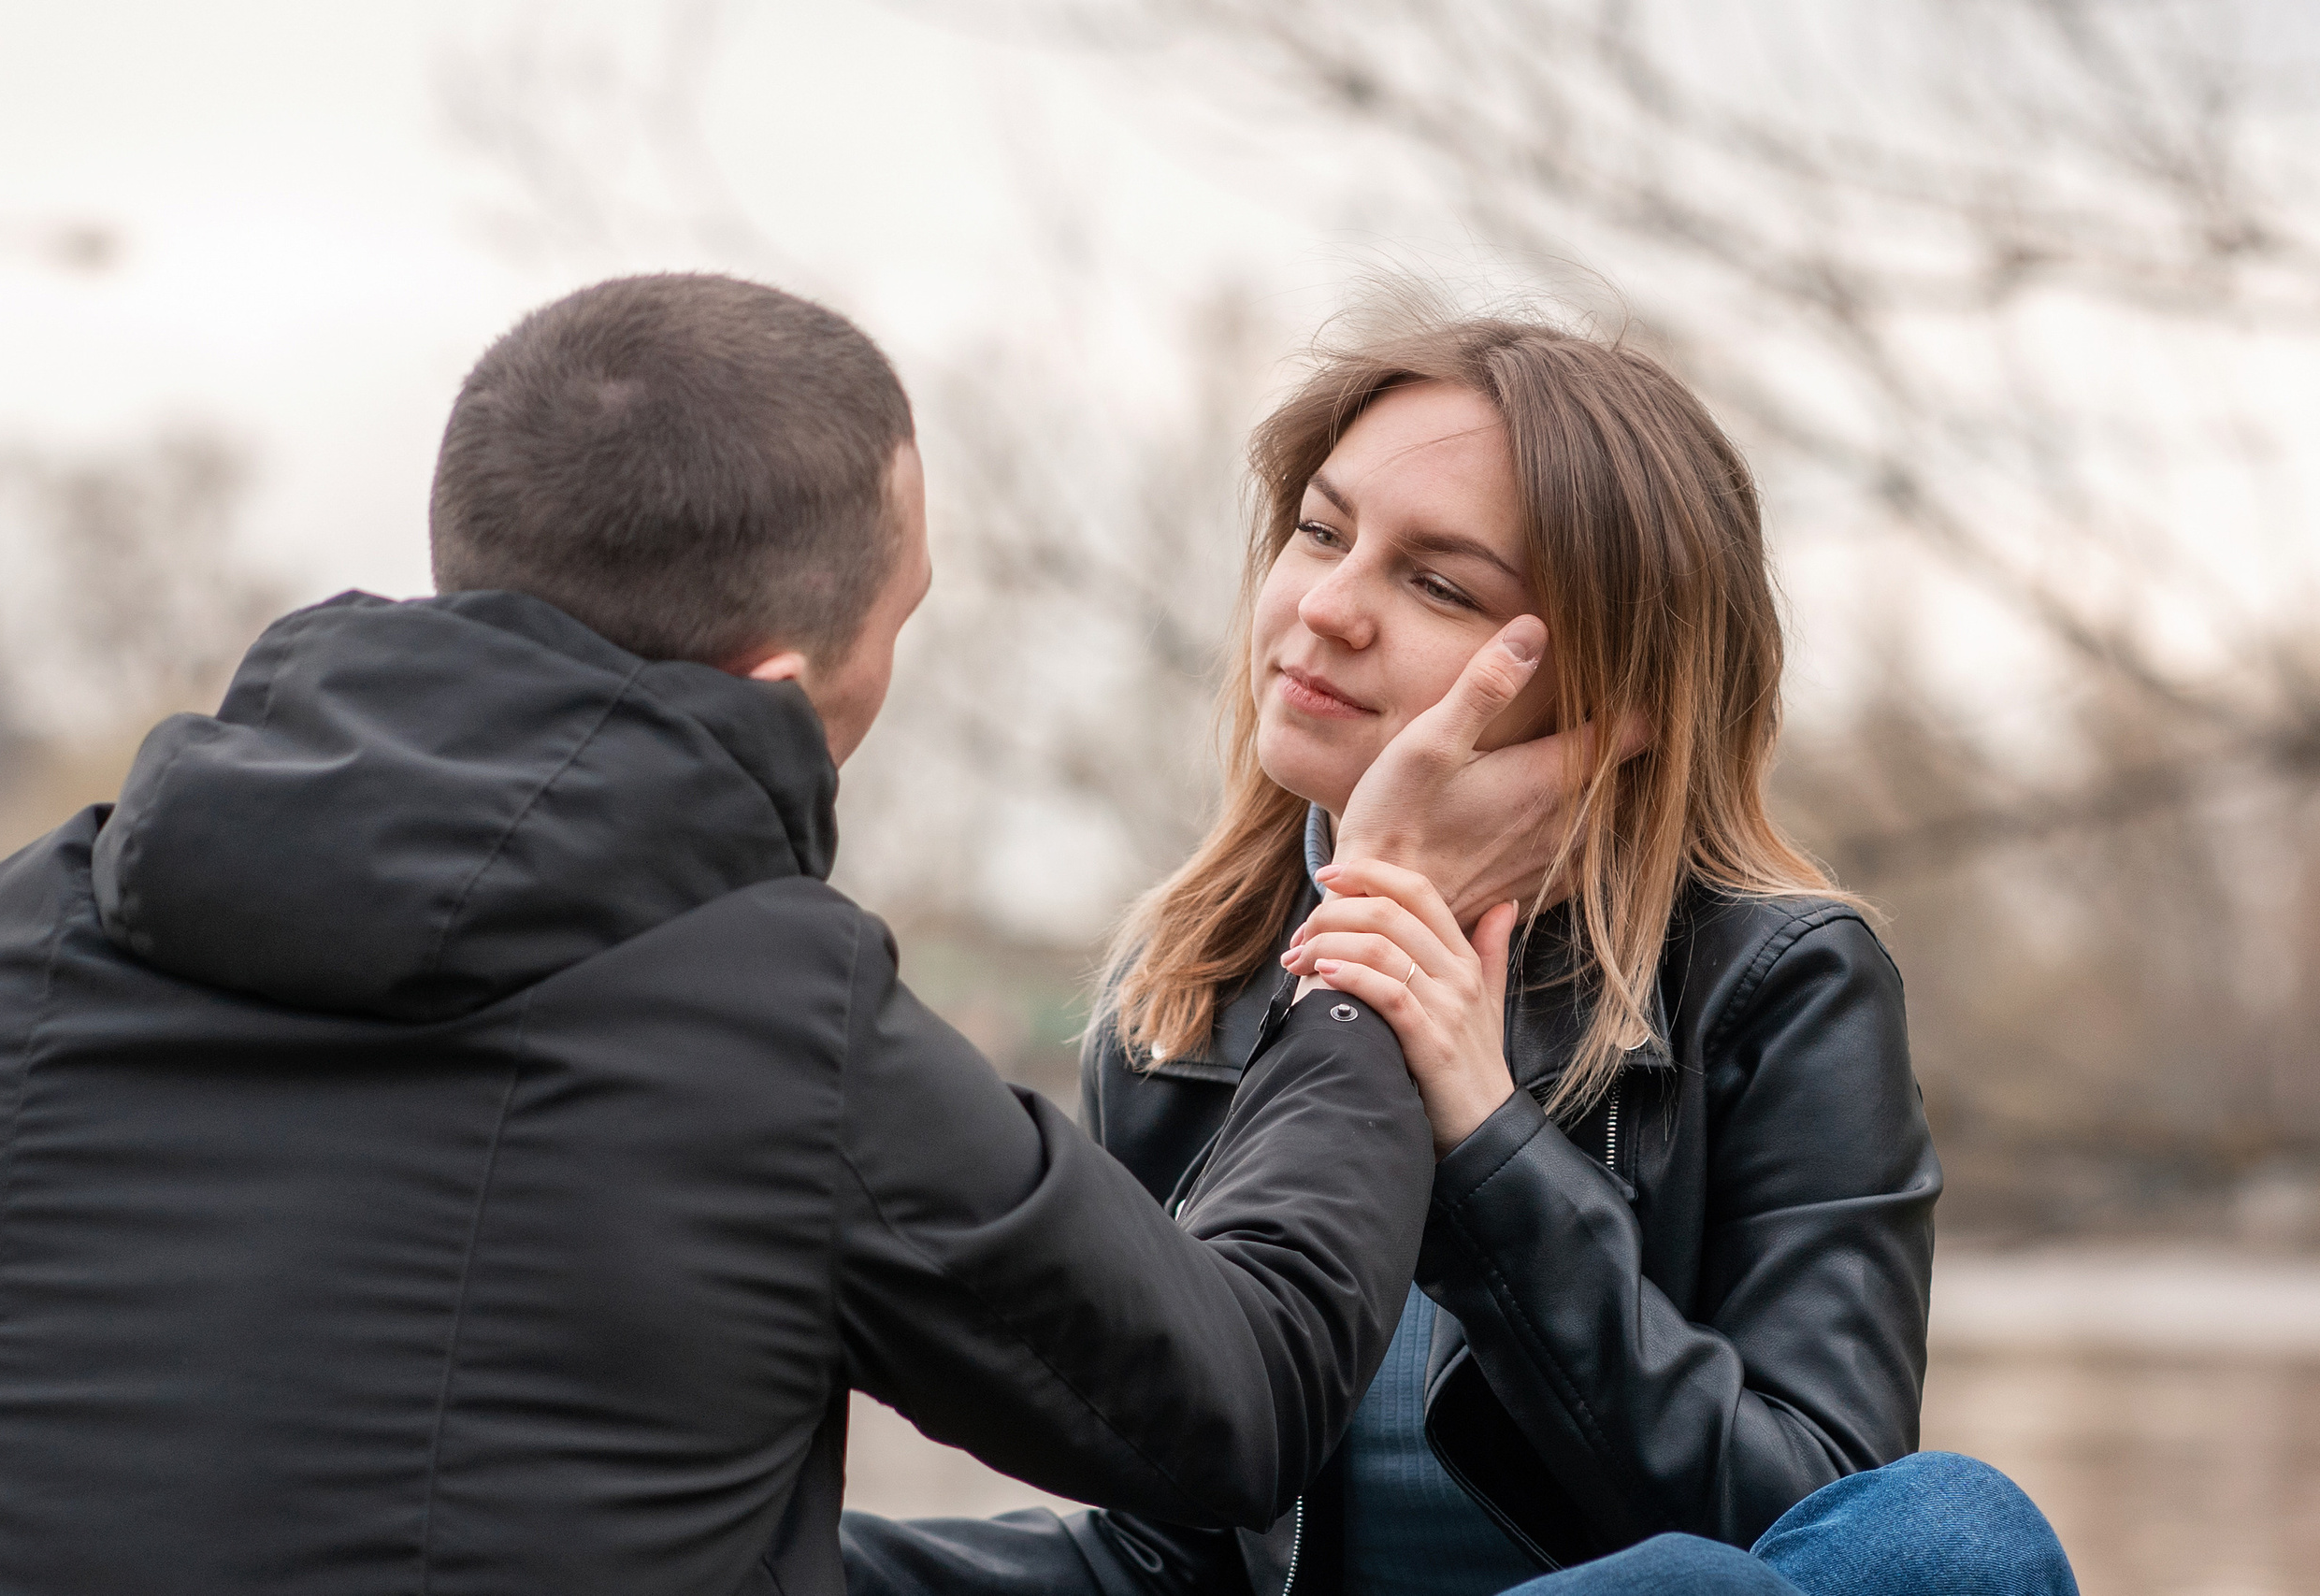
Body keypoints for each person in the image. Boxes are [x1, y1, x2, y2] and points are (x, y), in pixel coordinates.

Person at [0, 274, 1566, 1596]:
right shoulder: (770, 1022)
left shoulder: (9, 939)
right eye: (902, 624)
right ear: (781, 689)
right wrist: (1379, 914)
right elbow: (1243, 1397)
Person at [842, 304, 2080, 1593]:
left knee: (1946, 1532)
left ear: (1616, 694)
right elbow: (1175, 1556)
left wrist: (1490, 1149)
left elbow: (1834, 1536)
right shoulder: (1186, 987)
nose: (1328, 607)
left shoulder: (1777, 986)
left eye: (1438, 584)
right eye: (1321, 532)